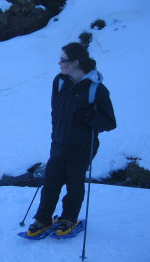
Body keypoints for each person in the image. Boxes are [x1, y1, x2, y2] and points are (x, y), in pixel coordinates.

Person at [27, 42, 116, 237]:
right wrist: (56, 135)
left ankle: (68, 218)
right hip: (59, 143)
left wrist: (89, 117)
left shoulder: (96, 89)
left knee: (74, 184)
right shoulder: (60, 82)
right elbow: (55, 111)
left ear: (76, 62)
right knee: (50, 182)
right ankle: (42, 219)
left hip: (83, 146)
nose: (59, 63)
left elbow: (110, 122)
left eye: (63, 60)